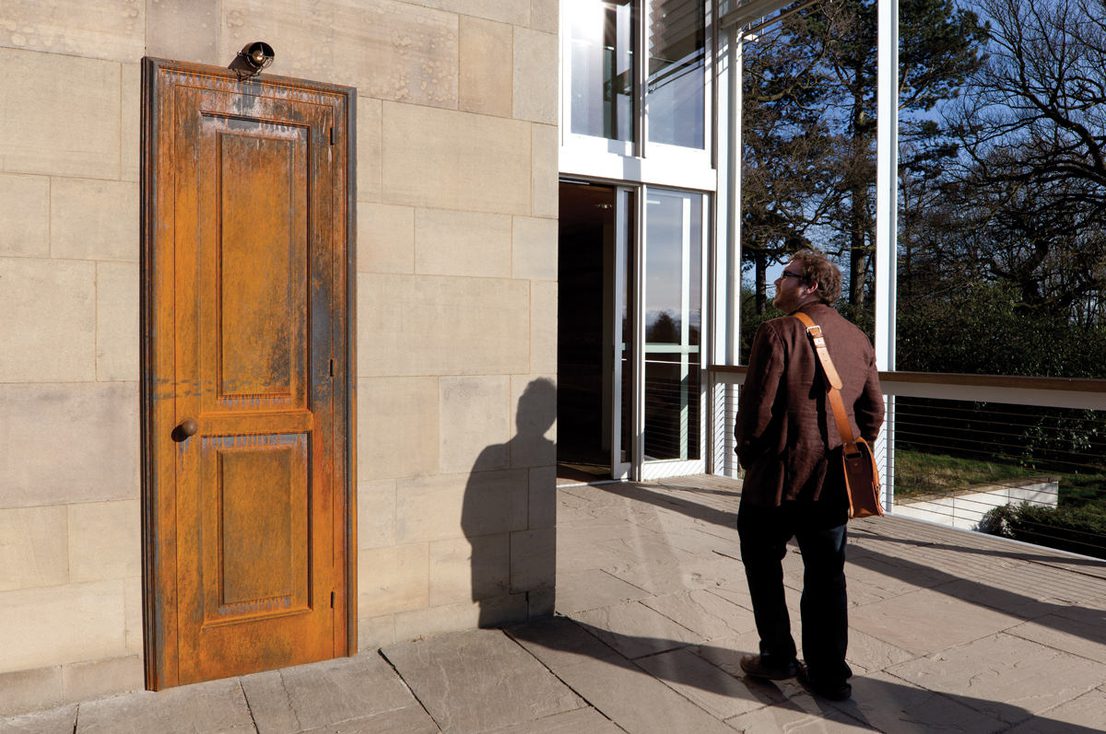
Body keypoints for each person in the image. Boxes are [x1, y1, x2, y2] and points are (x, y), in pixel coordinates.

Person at [734, 249, 884, 701]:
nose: (777, 283)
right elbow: (873, 413)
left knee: (763, 565)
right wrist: (847, 447)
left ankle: (778, 656)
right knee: (826, 576)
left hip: (777, 480)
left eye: (786, 275)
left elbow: (756, 411)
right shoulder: (857, 337)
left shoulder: (776, 332)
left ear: (810, 285)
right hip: (832, 481)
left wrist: (749, 455)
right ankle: (829, 675)